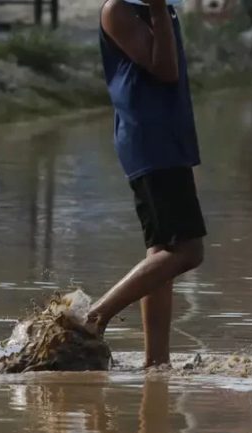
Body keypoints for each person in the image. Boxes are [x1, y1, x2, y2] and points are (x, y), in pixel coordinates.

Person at [85, 0, 205, 368]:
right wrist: (156, 11)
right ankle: (94, 318)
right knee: (188, 251)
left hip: (166, 138)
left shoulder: (158, 9)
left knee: (161, 253)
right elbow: (165, 70)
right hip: (151, 142)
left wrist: (159, 10)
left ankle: (156, 363)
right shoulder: (118, 10)